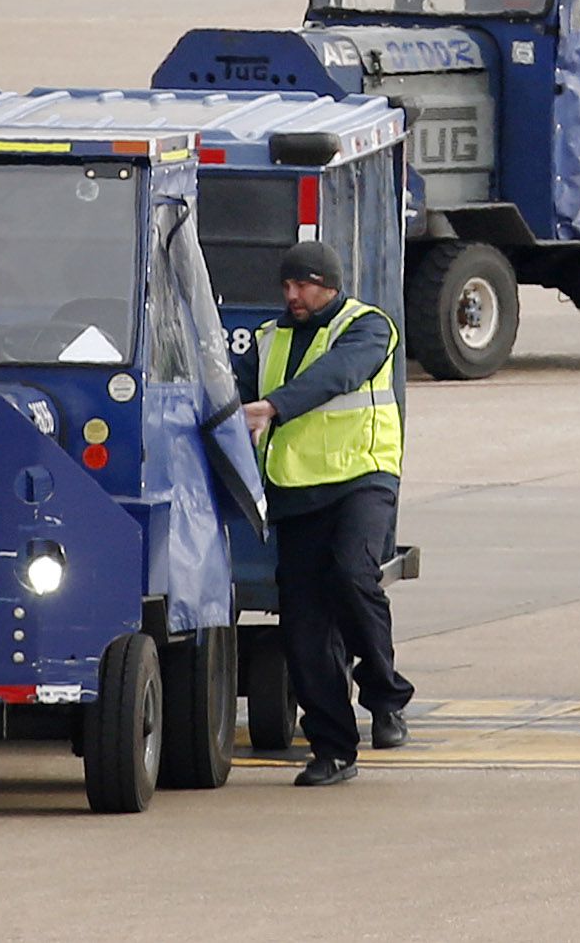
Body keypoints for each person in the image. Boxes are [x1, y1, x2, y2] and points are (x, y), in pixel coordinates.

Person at [242, 238, 412, 784]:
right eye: (287, 286)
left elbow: (339, 374)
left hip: (362, 477)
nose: (293, 295)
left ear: (330, 284)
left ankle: (385, 695)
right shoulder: (268, 340)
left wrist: (273, 407)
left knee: (352, 573)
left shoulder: (368, 327)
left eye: (303, 285)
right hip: (295, 490)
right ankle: (333, 750)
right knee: (304, 625)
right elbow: (230, 397)